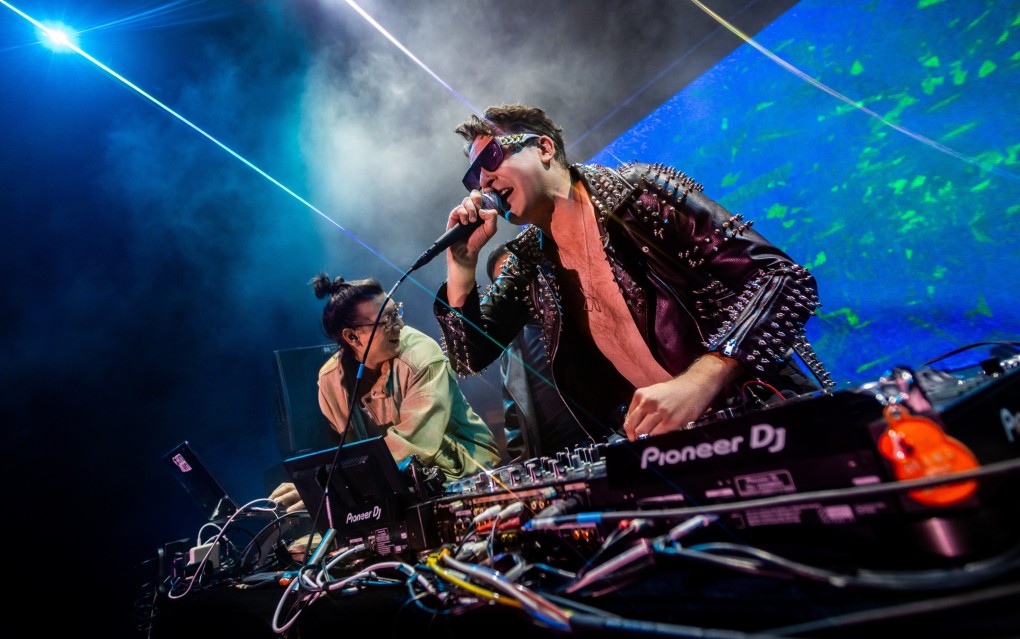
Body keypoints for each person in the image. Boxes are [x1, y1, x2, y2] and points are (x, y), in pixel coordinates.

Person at [434, 104, 833, 445]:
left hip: (762, 414)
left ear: (543, 147)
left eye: (490, 161)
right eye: (473, 179)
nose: (483, 182)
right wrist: (462, 266)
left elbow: (783, 279)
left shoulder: (638, 195)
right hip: (673, 449)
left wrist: (702, 379)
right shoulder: (529, 263)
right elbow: (470, 357)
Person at [271, 274, 501, 512]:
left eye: (396, 312)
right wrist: (321, 489)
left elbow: (414, 445)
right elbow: (353, 456)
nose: (400, 325)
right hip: (400, 486)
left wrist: (331, 485)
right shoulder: (329, 381)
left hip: (465, 475)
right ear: (352, 337)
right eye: (388, 319)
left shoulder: (422, 356)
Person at [486, 242, 590, 461]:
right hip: (557, 462)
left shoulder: (574, 308)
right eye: (503, 283)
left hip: (609, 439)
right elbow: (515, 422)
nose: (513, 286)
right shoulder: (510, 348)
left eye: (516, 274)